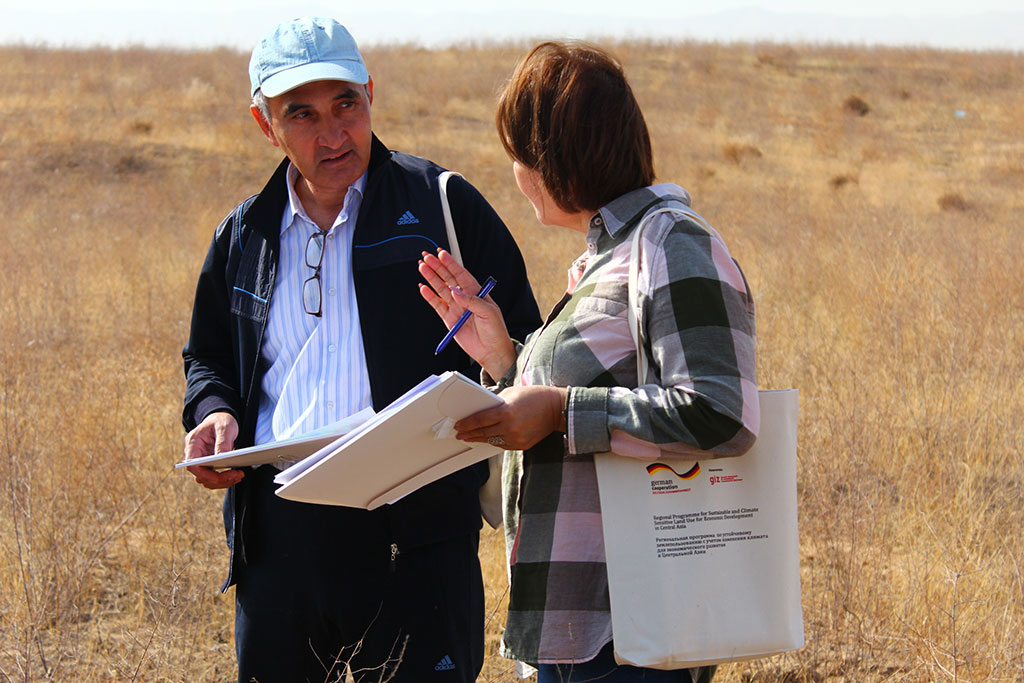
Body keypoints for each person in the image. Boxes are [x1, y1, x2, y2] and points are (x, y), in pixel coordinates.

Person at [181, 17, 541, 683]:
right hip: (280, 543)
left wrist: (501, 354)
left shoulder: (442, 205)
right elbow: (207, 357)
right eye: (302, 114)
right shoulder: (244, 234)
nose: (332, 132)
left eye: (347, 104)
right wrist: (213, 411)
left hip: (419, 536)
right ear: (266, 124)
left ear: (371, 94)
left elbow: (531, 349)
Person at [418, 41, 758, 683]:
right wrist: (505, 357)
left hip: (631, 633)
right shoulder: (612, 253)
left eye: (520, 154)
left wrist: (558, 410)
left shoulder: (673, 242)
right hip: (580, 630)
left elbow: (722, 412)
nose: (515, 173)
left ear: (554, 160)